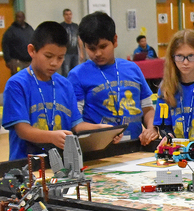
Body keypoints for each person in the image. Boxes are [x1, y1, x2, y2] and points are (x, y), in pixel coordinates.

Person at [3, 21, 108, 160]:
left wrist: (100, 130)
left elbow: (77, 125)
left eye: (60, 58)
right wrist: (52, 137)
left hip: (62, 163)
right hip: (27, 165)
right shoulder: (17, 84)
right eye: (48, 56)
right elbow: (22, 130)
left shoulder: (65, 84)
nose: (54, 63)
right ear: (32, 50)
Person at [68, 12, 159, 146]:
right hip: (100, 149)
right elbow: (75, 123)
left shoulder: (132, 68)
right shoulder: (77, 75)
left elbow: (147, 107)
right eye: (91, 49)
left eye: (103, 47)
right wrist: (101, 131)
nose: (98, 53)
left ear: (115, 41)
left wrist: (151, 129)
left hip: (137, 146)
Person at [60, 8, 79, 76]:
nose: (68, 16)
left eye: (70, 14)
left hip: (75, 52)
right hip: (65, 53)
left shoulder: (75, 26)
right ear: (64, 16)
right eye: (67, 14)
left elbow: (79, 39)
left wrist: (82, 52)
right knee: (66, 71)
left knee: (75, 71)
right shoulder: (61, 26)